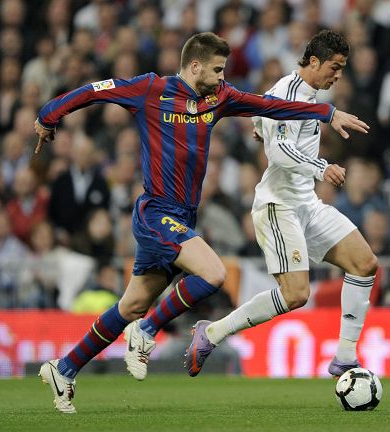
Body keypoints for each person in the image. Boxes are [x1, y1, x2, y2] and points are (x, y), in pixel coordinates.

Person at [34, 31, 369, 413]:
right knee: (213, 273)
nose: (223, 77)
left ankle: (64, 369)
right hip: (155, 212)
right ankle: (147, 331)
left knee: (132, 304)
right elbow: (95, 91)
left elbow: (270, 105)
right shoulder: (150, 90)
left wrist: (326, 113)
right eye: (217, 69)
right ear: (195, 66)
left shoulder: (218, 97)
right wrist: (48, 115)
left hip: (182, 216)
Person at [183, 30, 378, 379]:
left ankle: (345, 357)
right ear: (314, 61)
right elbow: (279, 152)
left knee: (365, 263)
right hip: (278, 206)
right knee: (295, 294)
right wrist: (321, 167)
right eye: (335, 67)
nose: (338, 75)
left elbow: (262, 118)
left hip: (307, 203)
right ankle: (212, 333)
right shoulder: (286, 92)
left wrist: (261, 126)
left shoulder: (304, 94)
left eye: (342, 68)